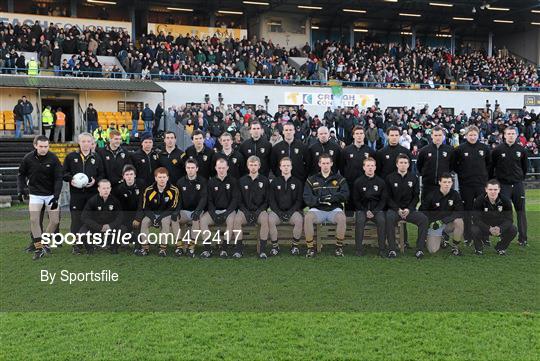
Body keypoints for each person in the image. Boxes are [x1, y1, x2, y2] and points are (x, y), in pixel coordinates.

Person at [17, 135, 62, 260]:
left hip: (51, 195)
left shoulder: (53, 158)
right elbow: (21, 174)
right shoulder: (28, 158)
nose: (43, 149)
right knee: (34, 220)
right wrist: (20, 190)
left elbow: (59, 178)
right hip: (35, 194)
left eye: (46, 146)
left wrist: (56, 196)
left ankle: (44, 243)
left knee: (55, 221)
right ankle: (38, 248)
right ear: (35, 145)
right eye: (41, 146)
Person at [63, 132, 104, 254]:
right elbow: (64, 173)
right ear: (79, 142)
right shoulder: (71, 157)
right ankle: (76, 244)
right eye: (83, 141)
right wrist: (71, 180)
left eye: (88, 141)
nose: (86, 144)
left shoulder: (96, 157)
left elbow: (102, 174)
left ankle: (90, 241)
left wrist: (95, 181)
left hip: (92, 193)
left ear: (92, 143)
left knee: (92, 217)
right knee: (76, 218)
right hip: (76, 194)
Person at [303, 153, 349, 257]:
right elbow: (307, 197)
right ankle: (310, 248)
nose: (325, 165)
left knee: (342, 218)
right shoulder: (311, 179)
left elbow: (345, 194)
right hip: (317, 210)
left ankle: (339, 248)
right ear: (319, 164)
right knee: (308, 217)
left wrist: (332, 198)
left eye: (327, 163)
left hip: (334, 209)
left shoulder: (339, 179)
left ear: (331, 164)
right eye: (323, 163)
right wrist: (319, 200)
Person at [451, 125, 491, 244]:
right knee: (467, 211)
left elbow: (489, 164)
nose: (472, 137)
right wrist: (463, 174)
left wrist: (483, 175)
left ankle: (485, 237)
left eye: (474, 135)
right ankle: (468, 236)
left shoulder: (484, 148)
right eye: (470, 135)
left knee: (483, 211)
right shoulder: (460, 149)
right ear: (466, 135)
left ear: (478, 135)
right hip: (466, 185)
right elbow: (454, 165)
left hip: (481, 185)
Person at [490, 126, 529, 246]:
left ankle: (523, 238)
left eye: (513, 133)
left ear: (516, 135)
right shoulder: (497, 150)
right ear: (504, 135)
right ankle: (504, 236)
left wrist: (519, 178)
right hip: (503, 185)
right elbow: (492, 167)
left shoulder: (522, 150)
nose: (511, 135)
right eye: (509, 133)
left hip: (517, 185)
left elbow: (525, 168)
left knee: (521, 211)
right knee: (504, 213)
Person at [385, 154, 428, 259]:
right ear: (397, 164)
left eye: (405, 163)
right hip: (395, 210)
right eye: (401, 163)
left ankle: (419, 249)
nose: (403, 165)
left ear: (409, 165)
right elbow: (387, 197)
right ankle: (392, 249)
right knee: (389, 218)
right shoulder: (390, 178)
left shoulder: (414, 178)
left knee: (423, 219)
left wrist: (409, 209)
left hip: (409, 210)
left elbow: (416, 197)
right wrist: (397, 209)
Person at [134, 167, 179, 257]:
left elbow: (173, 207)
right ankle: (145, 248)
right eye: (159, 177)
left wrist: (160, 217)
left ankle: (163, 249)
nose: (162, 179)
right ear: (155, 178)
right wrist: (153, 218)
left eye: (164, 177)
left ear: (167, 178)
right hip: (152, 214)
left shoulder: (174, 190)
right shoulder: (148, 190)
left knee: (165, 222)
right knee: (144, 222)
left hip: (166, 214)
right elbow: (145, 207)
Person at [199, 158, 239, 258]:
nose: (221, 170)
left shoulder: (233, 181)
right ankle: (208, 250)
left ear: (227, 168)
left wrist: (226, 213)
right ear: (216, 168)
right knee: (203, 220)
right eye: (219, 168)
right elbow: (209, 201)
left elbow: (235, 200)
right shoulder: (211, 182)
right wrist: (213, 214)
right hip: (215, 210)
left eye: (223, 168)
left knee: (231, 221)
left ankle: (224, 249)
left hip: (228, 211)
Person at [233, 156, 270, 259]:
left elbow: (267, 201)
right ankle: (238, 250)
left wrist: (258, 212)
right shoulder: (241, 180)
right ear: (247, 166)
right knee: (237, 220)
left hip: (260, 210)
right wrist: (246, 212)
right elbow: (239, 201)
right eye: (251, 165)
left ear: (259, 166)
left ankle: (262, 251)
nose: (253, 167)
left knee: (265, 219)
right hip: (245, 211)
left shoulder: (265, 180)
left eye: (255, 165)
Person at [419, 173, 464, 256]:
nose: (447, 184)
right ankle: (441, 237)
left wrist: (443, 221)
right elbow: (422, 211)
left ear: (452, 183)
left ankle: (455, 247)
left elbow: (460, 212)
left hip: (448, 224)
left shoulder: (455, 194)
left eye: (449, 182)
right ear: (440, 182)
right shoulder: (431, 195)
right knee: (432, 250)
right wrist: (430, 223)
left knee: (459, 222)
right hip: (434, 225)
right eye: (444, 182)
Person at [268, 157, 304, 256]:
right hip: (277, 212)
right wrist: (279, 212)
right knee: (270, 219)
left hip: (292, 212)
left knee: (299, 220)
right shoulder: (275, 182)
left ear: (291, 167)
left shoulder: (297, 182)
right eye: (284, 165)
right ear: (280, 167)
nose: (286, 168)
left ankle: (294, 246)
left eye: (288, 165)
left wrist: (290, 212)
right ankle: (275, 247)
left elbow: (299, 200)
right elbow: (271, 200)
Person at [471, 179, 517, 255]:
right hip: (485, 226)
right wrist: (488, 228)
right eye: (490, 189)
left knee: (513, 229)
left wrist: (500, 228)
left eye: (495, 189)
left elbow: (509, 219)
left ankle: (501, 248)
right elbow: (476, 219)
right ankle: (478, 249)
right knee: (474, 229)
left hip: (499, 227)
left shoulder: (505, 201)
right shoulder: (479, 200)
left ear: (499, 190)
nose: (493, 192)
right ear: (486, 189)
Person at [172, 159, 207, 258]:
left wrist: (198, 211)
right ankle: (179, 246)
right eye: (188, 168)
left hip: (197, 210)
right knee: (174, 219)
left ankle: (191, 247)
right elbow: (178, 200)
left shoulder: (202, 181)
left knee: (196, 219)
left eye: (192, 168)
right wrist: (177, 211)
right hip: (185, 210)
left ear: (197, 169)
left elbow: (204, 198)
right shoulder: (180, 181)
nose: (190, 170)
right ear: (185, 169)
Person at [352, 157, 387, 257]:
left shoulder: (381, 182)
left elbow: (383, 200)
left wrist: (375, 211)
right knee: (359, 221)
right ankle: (358, 249)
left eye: (372, 166)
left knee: (382, 221)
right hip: (362, 210)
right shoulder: (358, 182)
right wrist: (365, 210)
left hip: (377, 210)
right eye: (368, 166)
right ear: (364, 168)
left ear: (375, 167)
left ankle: (382, 249)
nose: (370, 168)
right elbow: (356, 200)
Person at [80, 179, 123, 253]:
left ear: (110, 189)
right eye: (103, 188)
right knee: (82, 233)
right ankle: (90, 248)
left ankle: (113, 247)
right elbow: (84, 217)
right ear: (98, 189)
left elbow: (120, 217)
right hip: (96, 226)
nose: (106, 190)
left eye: (107, 188)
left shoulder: (115, 201)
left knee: (123, 229)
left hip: (109, 227)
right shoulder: (92, 201)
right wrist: (98, 227)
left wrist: (110, 225)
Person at [341, 126, 376, 212]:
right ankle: (348, 225)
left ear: (364, 135)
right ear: (353, 135)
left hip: (365, 183)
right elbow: (341, 167)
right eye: (357, 133)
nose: (359, 135)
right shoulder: (346, 151)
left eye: (361, 133)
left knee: (363, 208)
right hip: (350, 184)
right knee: (349, 208)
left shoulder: (370, 151)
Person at [112, 165, 144, 253]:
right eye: (127, 174)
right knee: (121, 227)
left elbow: (142, 204)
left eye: (131, 174)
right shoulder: (119, 189)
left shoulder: (141, 185)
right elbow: (118, 208)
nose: (129, 176)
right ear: (123, 177)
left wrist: (138, 218)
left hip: (138, 214)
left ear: (135, 175)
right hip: (125, 216)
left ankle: (138, 246)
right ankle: (116, 245)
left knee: (138, 225)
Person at [416, 126, 454, 200]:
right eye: (436, 135)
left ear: (443, 136)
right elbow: (419, 166)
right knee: (426, 208)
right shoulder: (424, 150)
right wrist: (426, 175)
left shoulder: (450, 150)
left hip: (443, 185)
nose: (438, 137)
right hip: (428, 185)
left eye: (440, 135)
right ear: (432, 135)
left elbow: (452, 166)